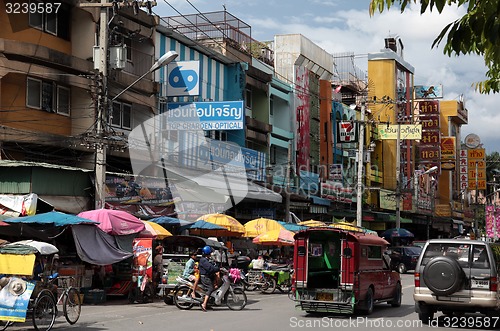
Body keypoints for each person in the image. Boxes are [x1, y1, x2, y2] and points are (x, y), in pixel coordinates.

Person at [198, 245, 220, 312]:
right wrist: (217, 269)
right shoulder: (204, 260)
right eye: (210, 253)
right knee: (210, 288)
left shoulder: (206, 260)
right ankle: (204, 304)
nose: (211, 254)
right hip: (205, 277)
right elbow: (210, 268)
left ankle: (207, 303)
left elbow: (212, 265)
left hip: (207, 276)